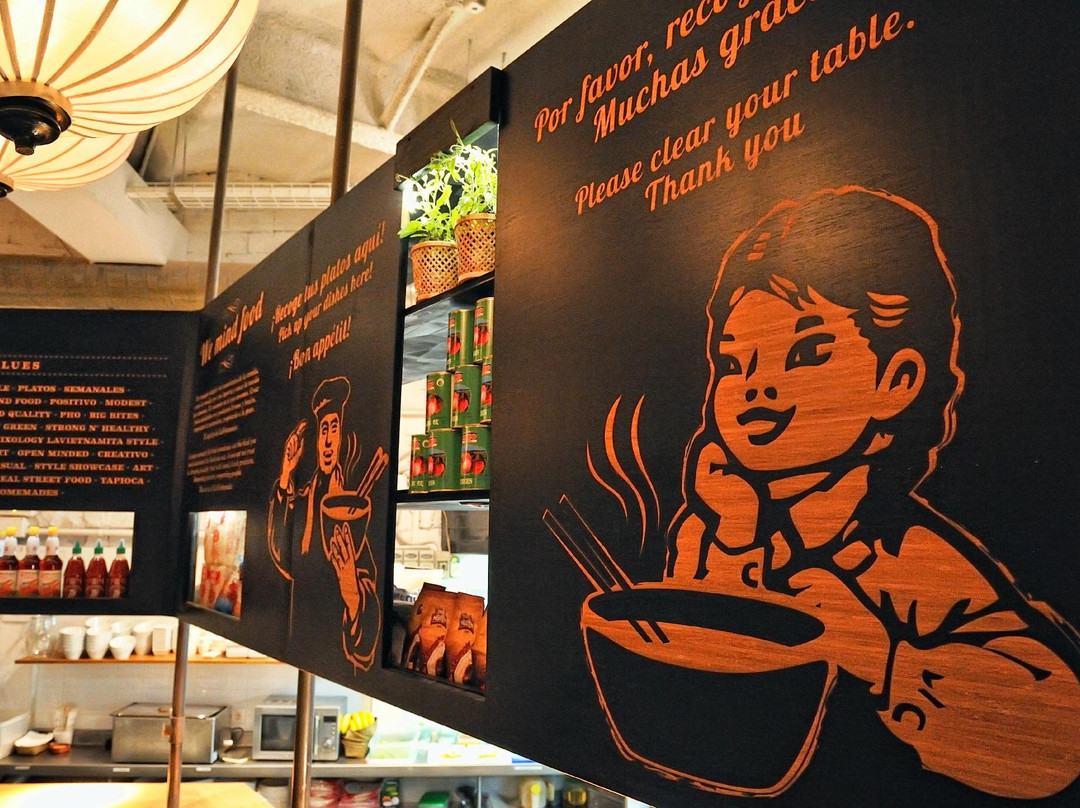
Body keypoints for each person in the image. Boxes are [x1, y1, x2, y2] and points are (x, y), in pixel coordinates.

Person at [665, 186, 1080, 799]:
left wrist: (882, 654)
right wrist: (733, 542)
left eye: (807, 352)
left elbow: (1055, 736)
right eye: (733, 364)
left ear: (897, 380)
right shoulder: (709, 528)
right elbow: (691, 668)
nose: (756, 386)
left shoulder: (903, 552)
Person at [268, 376, 387, 670]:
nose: (329, 439)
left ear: (342, 434)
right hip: (298, 636)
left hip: (331, 648)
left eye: (335, 428)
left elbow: (367, 580)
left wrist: (349, 582)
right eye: (324, 430)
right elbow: (282, 553)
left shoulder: (349, 506)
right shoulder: (306, 495)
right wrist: (286, 474)